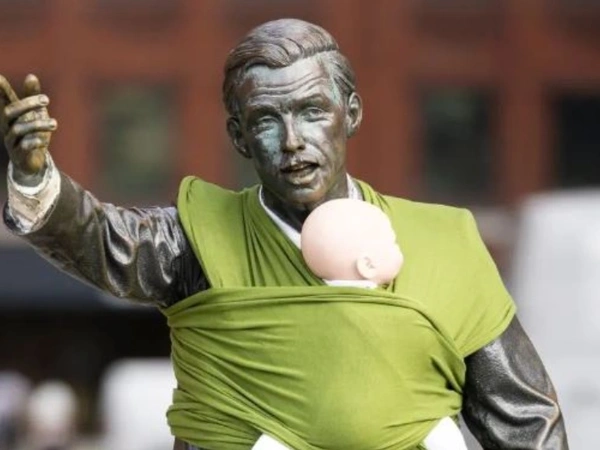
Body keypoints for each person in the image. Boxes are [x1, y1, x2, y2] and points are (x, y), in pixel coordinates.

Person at [1, 18, 568, 450]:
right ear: (239, 137)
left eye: (312, 112)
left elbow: (524, 419)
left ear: (351, 113)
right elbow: (102, 240)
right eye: (267, 121)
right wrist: (35, 178)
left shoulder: (442, 244)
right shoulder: (197, 239)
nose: (293, 141)